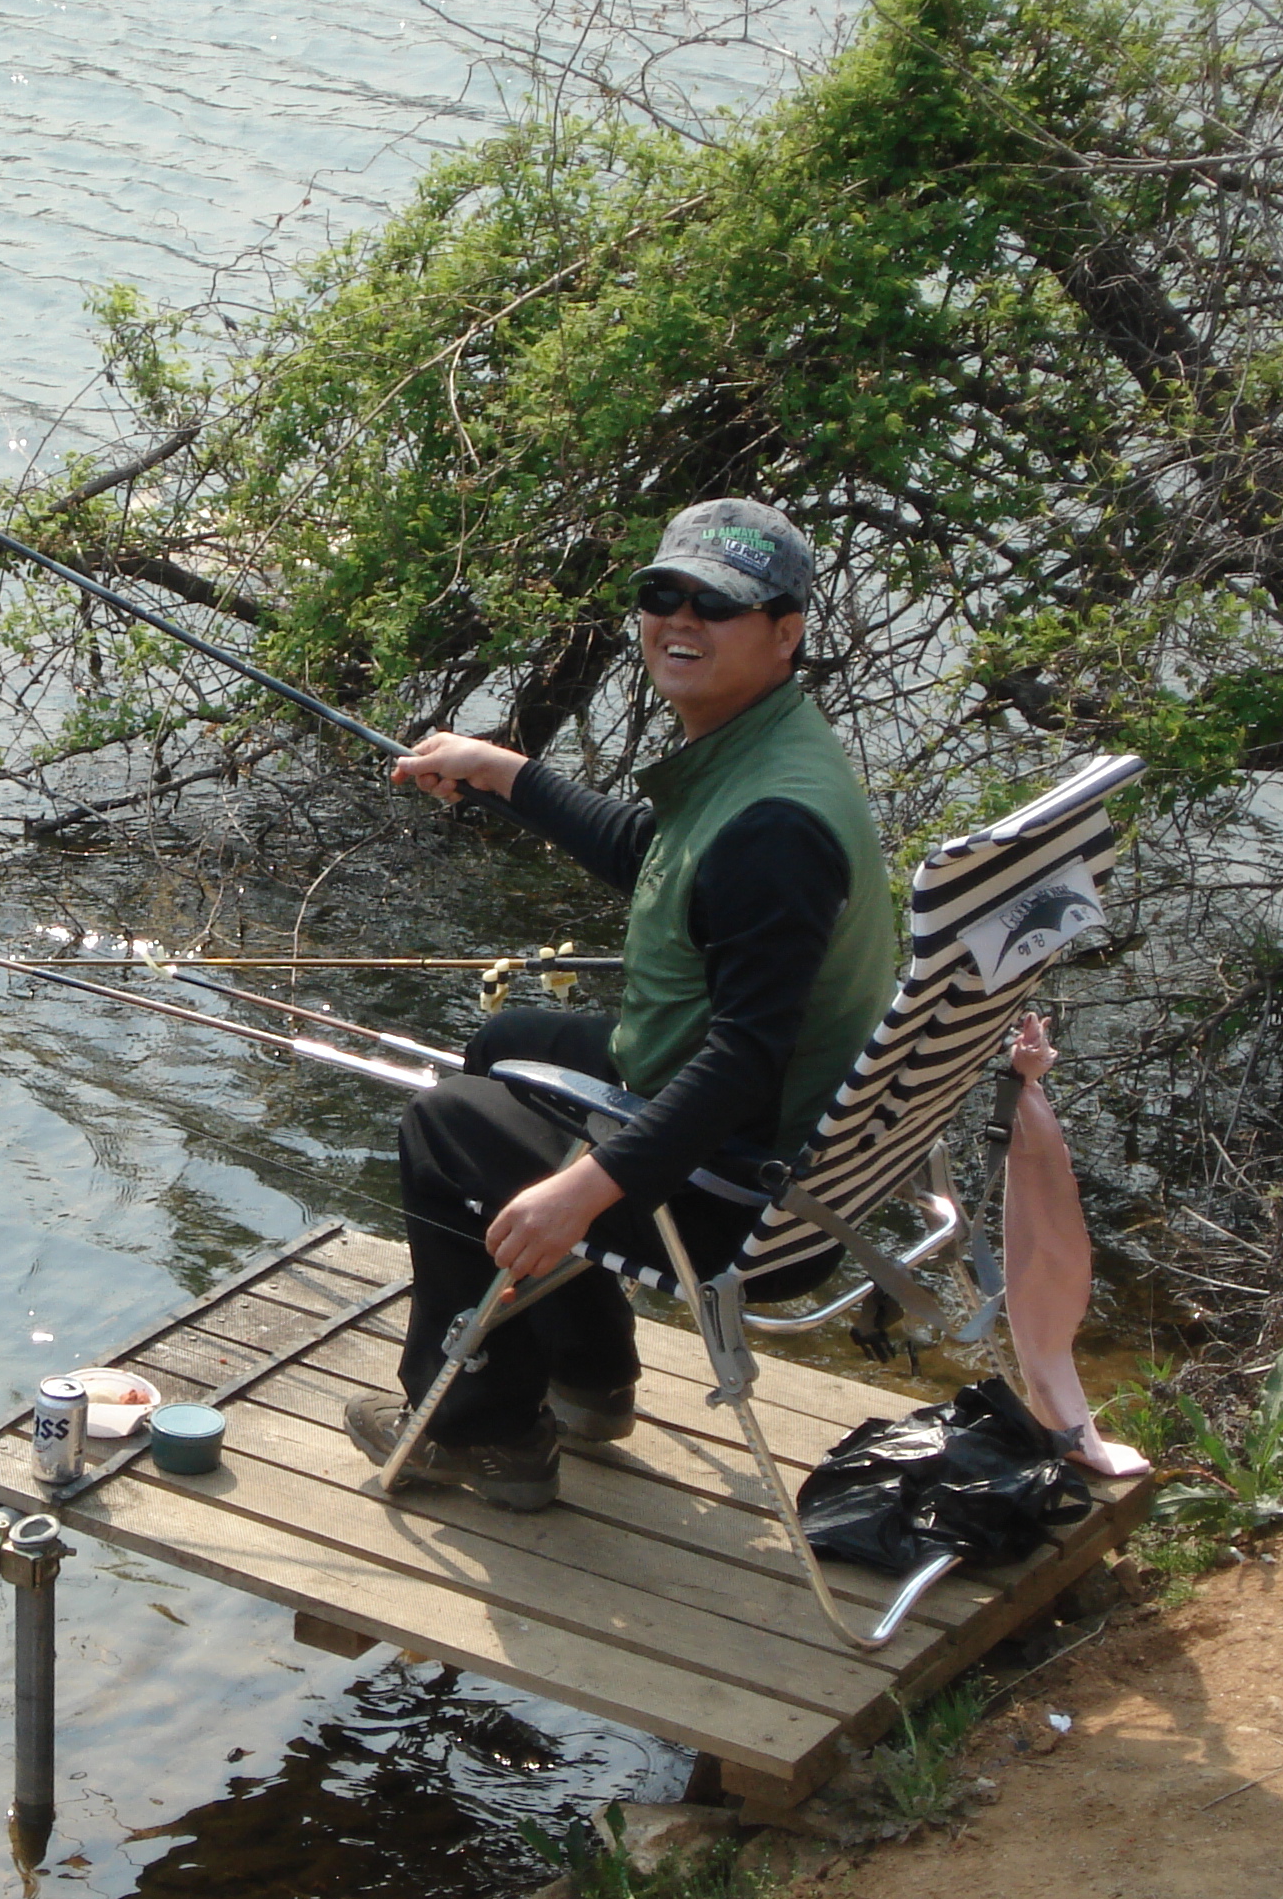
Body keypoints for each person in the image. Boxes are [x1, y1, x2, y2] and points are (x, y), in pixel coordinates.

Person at [343, 499, 899, 1512]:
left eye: (716, 606)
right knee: (505, 1041)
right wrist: (503, 774)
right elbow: (663, 859)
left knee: (445, 1126)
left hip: (742, 1194)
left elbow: (740, 1061)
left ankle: (479, 1432)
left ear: (786, 631)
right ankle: (585, 1377)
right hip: (777, 1146)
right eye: (661, 594)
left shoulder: (774, 828)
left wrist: (582, 1191)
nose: (678, 620)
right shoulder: (765, 753)